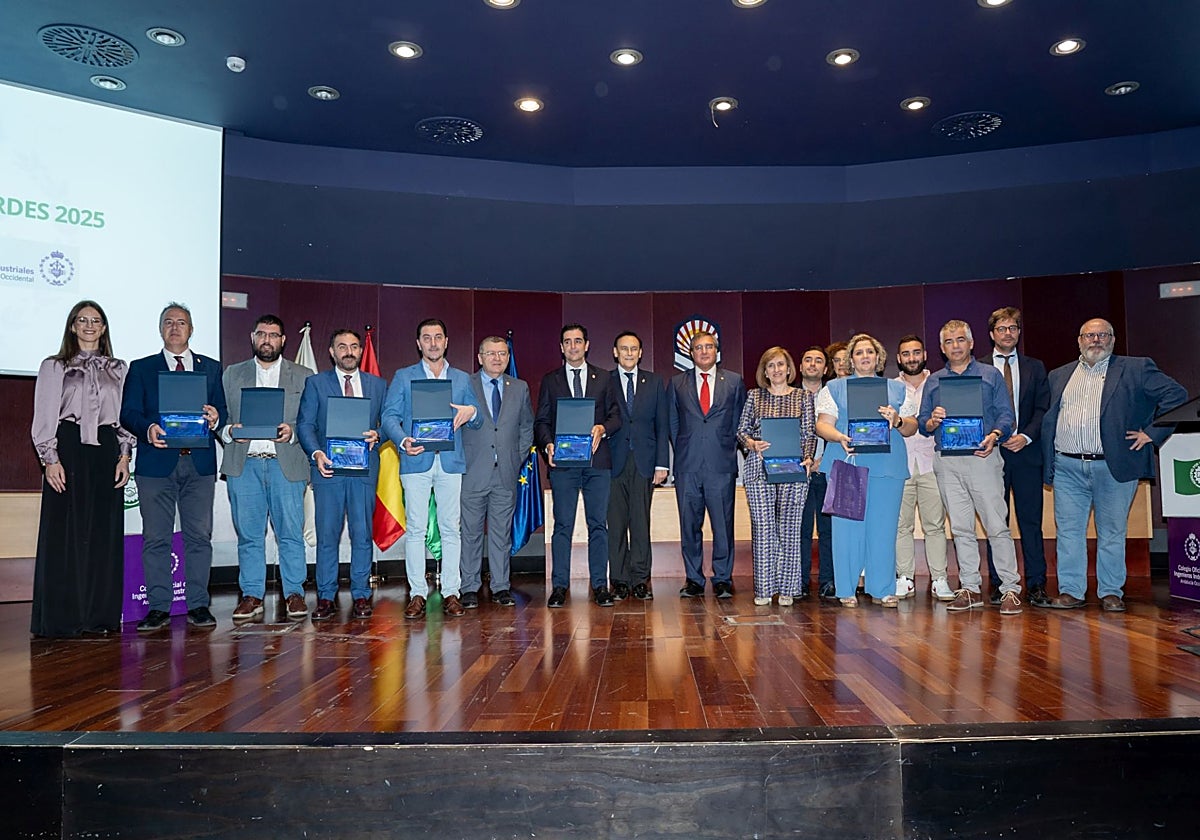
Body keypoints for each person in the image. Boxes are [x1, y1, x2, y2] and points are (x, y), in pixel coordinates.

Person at [1042, 318, 1187, 612]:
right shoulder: (1059, 375)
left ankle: (1110, 592)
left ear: (1113, 339)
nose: (1096, 340)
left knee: (1111, 532)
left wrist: (1152, 433)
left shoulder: (1136, 368)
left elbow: (1177, 396)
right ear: (1079, 340)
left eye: (1102, 335)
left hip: (1113, 467)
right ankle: (1071, 591)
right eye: (1089, 335)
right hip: (1068, 466)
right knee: (1069, 531)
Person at [30, 300, 136, 637]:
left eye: (96, 320)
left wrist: (124, 456)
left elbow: (124, 418)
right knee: (65, 535)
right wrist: (51, 459)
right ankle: (62, 619)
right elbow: (45, 415)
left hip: (106, 452)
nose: (89, 325)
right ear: (73, 326)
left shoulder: (119, 369)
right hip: (68, 449)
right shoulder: (54, 366)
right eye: (82, 320)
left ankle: (98, 617)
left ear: (104, 328)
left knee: (103, 535)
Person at [120, 302, 227, 631]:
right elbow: (128, 414)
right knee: (156, 539)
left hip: (199, 465)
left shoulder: (210, 368)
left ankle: (198, 604)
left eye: (182, 322)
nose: (175, 327)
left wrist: (216, 417)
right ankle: (158, 607)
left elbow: (223, 410)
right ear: (160, 329)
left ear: (191, 329)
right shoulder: (141, 368)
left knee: (199, 538)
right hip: (156, 466)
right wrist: (148, 429)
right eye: (169, 322)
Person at [918, 320, 1021, 615]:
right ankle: (970, 587)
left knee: (996, 526)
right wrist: (933, 420)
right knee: (961, 528)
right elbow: (924, 424)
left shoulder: (990, 375)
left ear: (972, 343)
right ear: (942, 348)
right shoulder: (934, 381)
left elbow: (1006, 415)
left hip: (984, 458)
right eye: (949, 342)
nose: (956, 346)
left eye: (961, 340)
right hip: (947, 462)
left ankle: (1010, 589)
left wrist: (995, 436)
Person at [381, 318, 483, 620]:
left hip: (451, 463)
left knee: (452, 529)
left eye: (438, 337)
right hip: (415, 460)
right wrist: (402, 441)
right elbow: (389, 416)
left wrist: (472, 411)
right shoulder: (403, 376)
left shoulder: (463, 379)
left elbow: (476, 420)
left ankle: (452, 591)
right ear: (418, 343)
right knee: (415, 530)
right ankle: (417, 594)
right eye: (427, 337)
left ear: (447, 341)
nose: (433, 343)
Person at [221, 315, 314, 622]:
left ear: (283, 340)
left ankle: (294, 593)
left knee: (290, 534)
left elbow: (313, 421)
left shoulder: (303, 375)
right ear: (252, 337)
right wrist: (230, 431)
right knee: (249, 535)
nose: (267, 340)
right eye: (261, 334)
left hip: (285, 464)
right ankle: (251, 595)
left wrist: (294, 430)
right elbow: (218, 419)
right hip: (244, 464)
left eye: (274, 335)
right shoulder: (232, 375)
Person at [815, 333, 917, 608]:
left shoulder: (896, 390)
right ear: (851, 358)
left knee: (883, 529)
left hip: (888, 467)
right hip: (849, 464)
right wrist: (838, 437)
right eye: (858, 353)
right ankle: (846, 589)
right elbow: (822, 424)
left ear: (879, 357)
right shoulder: (834, 388)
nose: (864, 357)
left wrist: (897, 421)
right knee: (846, 531)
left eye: (869, 352)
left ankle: (882, 588)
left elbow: (912, 426)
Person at [297, 329, 388, 621]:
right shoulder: (315, 383)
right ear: (332, 352)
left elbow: (389, 420)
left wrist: (380, 433)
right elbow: (305, 425)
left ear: (361, 351)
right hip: (329, 469)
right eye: (342, 346)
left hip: (364, 471)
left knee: (362, 535)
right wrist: (316, 453)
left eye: (354, 346)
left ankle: (361, 594)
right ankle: (325, 597)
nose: (348, 351)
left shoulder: (377, 385)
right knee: (327, 536)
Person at [533, 324, 623, 608]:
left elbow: (616, 416)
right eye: (567, 342)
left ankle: (600, 586)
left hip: (597, 463)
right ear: (561, 347)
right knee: (562, 526)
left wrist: (602, 428)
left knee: (598, 524)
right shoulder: (551, 380)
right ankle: (559, 586)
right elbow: (541, 421)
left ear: (587, 345)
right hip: (563, 464)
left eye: (578, 341)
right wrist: (547, 444)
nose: (573, 346)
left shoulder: (605, 378)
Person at [668, 331, 746, 598]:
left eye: (709, 347)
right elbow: (673, 424)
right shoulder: (677, 383)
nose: (704, 352)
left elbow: (739, 422)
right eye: (698, 347)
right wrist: (683, 452)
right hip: (687, 465)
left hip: (721, 464)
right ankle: (694, 578)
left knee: (723, 525)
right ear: (691, 352)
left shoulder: (734, 381)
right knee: (689, 524)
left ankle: (723, 577)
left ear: (717, 351)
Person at [982, 307, 1051, 607]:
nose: (1008, 333)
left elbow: (1042, 408)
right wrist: (995, 435)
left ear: (1019, 333)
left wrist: (1025, 436)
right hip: (991, 455)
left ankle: (1036, 585)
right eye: (1002, 329)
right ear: (991, 334)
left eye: (1013, 328)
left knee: (1030, 522)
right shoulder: (979, 368)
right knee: (996, 522)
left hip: (1026, 452)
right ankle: (999, 584)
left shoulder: (1036, 367)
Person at [737, 347, 816, 606]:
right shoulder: (754, 396)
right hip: (760, 468)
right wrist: (752, 443)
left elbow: (808, 433)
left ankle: (787, 589)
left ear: (789, 368)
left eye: (781, 364)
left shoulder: (804, 397)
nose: (776, 370)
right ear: (765, 371)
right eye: (770, 366)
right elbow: (741, 431)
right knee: (763, 528)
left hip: (794, 469)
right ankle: (763, 588)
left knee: (791, 530)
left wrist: (807, 457)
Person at [460, 336, 534, 608]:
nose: (497, 358)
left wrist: (517, 457)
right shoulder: (465, 384)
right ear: (480, 357)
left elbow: (527, 426)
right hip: (473, 472)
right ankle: (469, 586)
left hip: (506, 472)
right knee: (470, 533)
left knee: (502, 534)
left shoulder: (519, 387)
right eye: (491, 354)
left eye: (502, 353)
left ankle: (501, 586)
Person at [607, 331, 669, 601]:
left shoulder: (654, 382)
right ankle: (620, 580)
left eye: (634, 349)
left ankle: (641, 580)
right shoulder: (604, 381)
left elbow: (662, 425)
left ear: (641, 353)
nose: (629, 353)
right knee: (616, 523)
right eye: (624, 348)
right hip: (611, 462)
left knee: (641, 523)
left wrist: (662, 464)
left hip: (645, 462)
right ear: (615, 352)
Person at [893, 334, 954, 602]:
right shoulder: (890, 388)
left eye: (916, 353)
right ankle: (904, 578)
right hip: (900, 465)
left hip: (932, 463)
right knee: (900, 526)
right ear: (898, 359)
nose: (912, 358)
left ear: (925, 354)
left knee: (935, 526)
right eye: (906, 354)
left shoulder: (940, 382)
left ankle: (939, 579)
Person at [797, 346, 836, 601]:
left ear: (826, 368)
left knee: (828, 529)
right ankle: (798, 581)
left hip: (827, 469)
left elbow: (842, 429)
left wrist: (825, 458)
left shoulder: (834, 395)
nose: (812, 364)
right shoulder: (788, 395)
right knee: (798, 529)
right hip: (797, 472)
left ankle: (828, 581)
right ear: (799, 367)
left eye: (818, 361)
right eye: (807, 359)